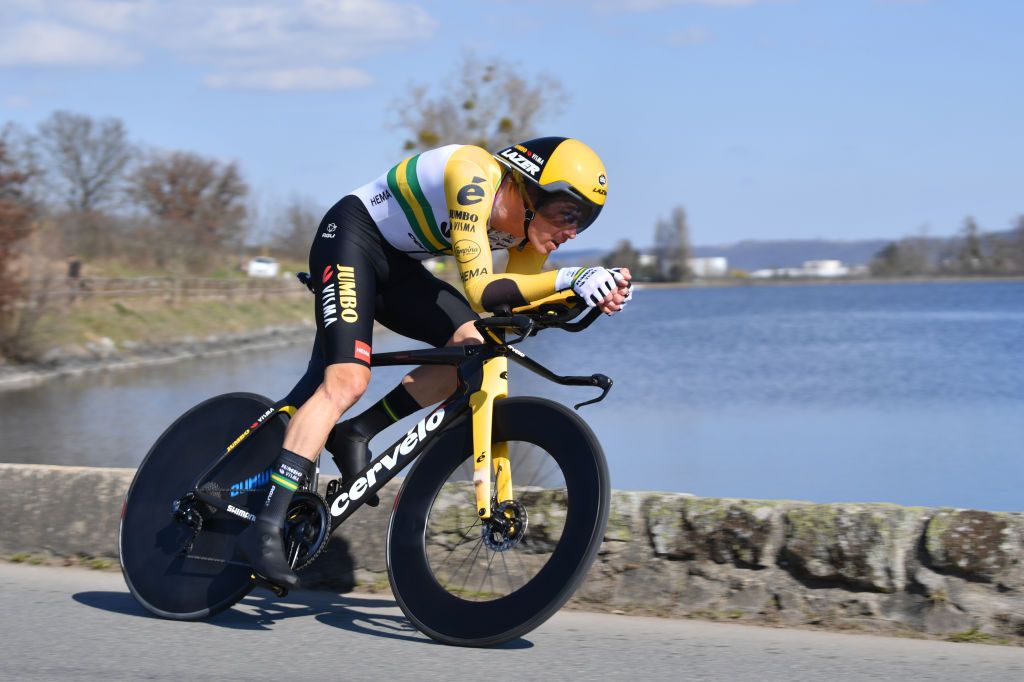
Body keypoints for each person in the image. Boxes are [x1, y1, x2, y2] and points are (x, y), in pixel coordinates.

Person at [240, 136, 633, 588]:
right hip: (350, 237)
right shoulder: (472, 174)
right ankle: (265, 525)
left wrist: (588, 294)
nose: (572, 232)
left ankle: (357, 432)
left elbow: (511, 308)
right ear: (529, 189)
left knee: (474, 347)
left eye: (583, 222)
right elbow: (484, 291)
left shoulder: (529, 233)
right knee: (346, 381)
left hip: (399, 268)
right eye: (568, 214)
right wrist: (572, 277)